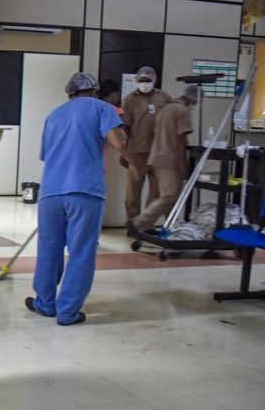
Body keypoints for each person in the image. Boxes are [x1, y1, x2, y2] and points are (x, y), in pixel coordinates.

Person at [25, 72, 141, 326]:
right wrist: (133, 162)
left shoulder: (54, 115)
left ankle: (45, 303)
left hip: (51, 192)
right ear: (96, 91)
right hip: (85, 191)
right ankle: (67, 312)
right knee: (80, 252)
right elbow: (117, 141)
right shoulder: (102, 108)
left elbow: (45, 154)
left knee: (49, 250)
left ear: (70, 93)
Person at [130, 85, 196, 232]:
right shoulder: (182, 111)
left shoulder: (165, 109)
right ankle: (140, 222)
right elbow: (181, 140)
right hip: (170, 159)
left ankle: (170, 226)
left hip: (156, 157)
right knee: (169, 195)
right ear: (193, 100)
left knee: (160, 194)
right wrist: (182, 164)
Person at [122, 66, 171, 224]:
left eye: (148, 80)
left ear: (154, 80)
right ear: (137, 81)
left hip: (159, 153)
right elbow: (125, 127)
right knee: (132, 194)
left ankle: (147, 225)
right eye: (142, 80)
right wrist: (125, 153)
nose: (145, 83)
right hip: (136, 153)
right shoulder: (130, 99)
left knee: (157, 192)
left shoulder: (163, 96)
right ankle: (133, 224)